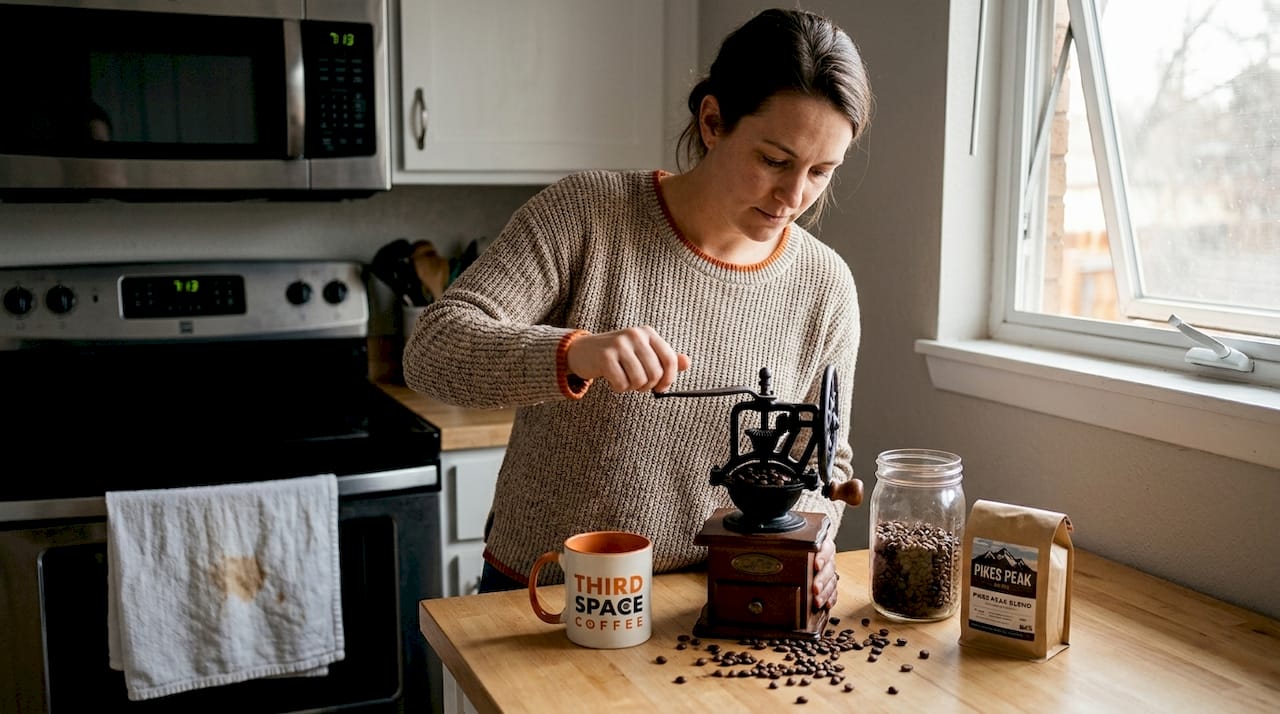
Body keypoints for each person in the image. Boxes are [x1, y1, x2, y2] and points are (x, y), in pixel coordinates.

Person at [402, 7, 872, 611]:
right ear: (712, 121)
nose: (794, 196)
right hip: (549, 595)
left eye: (821, 172)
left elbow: (824, 458)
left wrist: (817, 547)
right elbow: (434, 350)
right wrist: (576, 352)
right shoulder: (587, 215)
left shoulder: (825, 286)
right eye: (774, 161)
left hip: (709, 606)